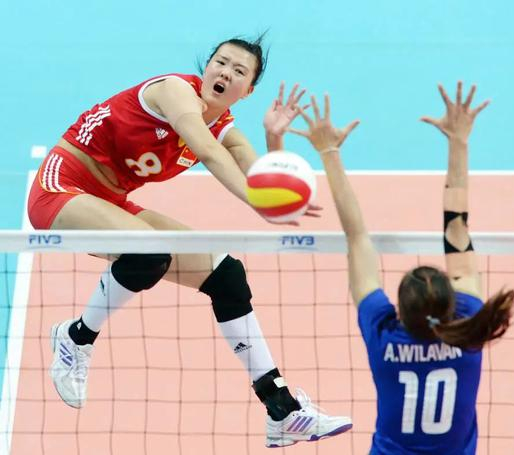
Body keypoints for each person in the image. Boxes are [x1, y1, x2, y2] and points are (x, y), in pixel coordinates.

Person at [28, 35, 352, 448]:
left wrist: (274, 141)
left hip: (109, 201)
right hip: (61, 188)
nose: (225, 73)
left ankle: (282, 410)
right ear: (207, 66)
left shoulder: (227, 128)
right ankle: (76, 339)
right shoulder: (175, 92)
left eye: (238, 71)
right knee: (149, 253)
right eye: (221, 62)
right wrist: (261, 205)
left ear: (247, 91)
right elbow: (210, 153)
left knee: (226, 275)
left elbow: (264, 178)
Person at [289, 83, 514, 454]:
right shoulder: (469, 325)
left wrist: (329, 152)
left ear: (399, 310)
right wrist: (459, 141)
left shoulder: (385, 336)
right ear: (451, 302)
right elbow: (457, 227)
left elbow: (357, 238)